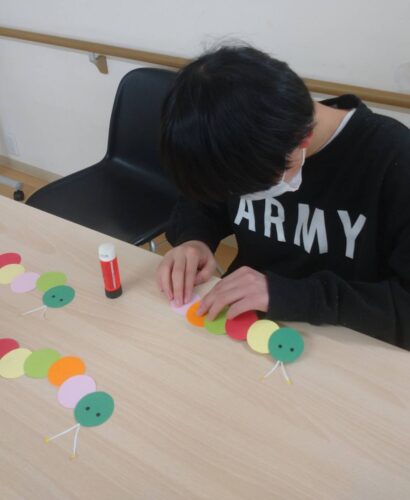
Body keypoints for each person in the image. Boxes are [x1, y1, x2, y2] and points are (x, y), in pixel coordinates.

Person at [156, 44, 410, 349]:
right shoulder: (246, 143)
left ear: (303, 139)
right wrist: (194, 239)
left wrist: (287, 295)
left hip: (346, 342)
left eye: (245, 190)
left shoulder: (394, 160)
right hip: (246, 328)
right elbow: (202, 200)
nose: (233, 195)